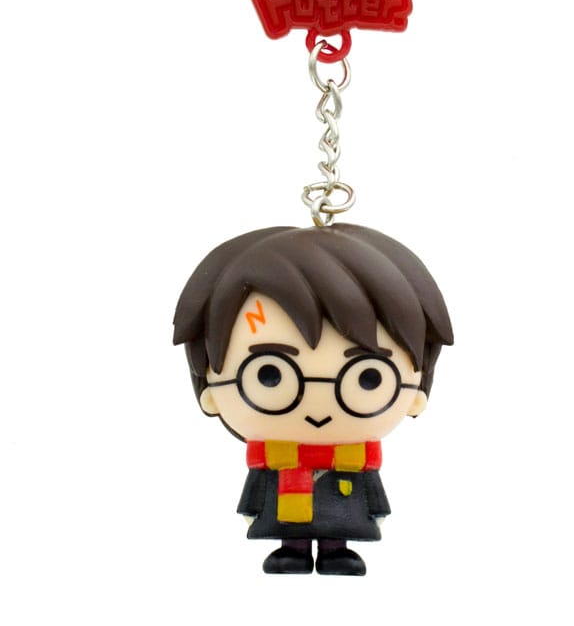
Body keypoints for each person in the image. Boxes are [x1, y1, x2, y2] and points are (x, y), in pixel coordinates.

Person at [173, 223, 453, 575]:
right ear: (211, 391)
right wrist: (253, 510)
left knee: (340, 525)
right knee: (294, 532)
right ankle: (294, 549)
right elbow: (257, 494)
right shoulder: (273, 460)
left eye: (368, 377)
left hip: (346, 508)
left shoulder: (356, 459)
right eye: (269, 374)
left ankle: (336, 551)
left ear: (416, 395)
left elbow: (373, 498)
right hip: (289, 509)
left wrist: (376, 512)